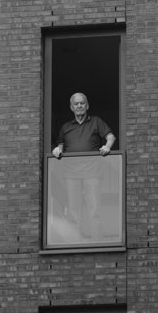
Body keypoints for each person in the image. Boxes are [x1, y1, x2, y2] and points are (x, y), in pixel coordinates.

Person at [50, 93, 115, 239]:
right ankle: (76, 242)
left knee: (94, 210)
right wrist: (56, 150)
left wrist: (107, 147)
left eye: (82, 103)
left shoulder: (96, 122)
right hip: (71, 174)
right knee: (74, 211)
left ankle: (97, 243)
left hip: (92, 173)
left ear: (87, 105)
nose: (79, 106)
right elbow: (60, 147)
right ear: (71, 107)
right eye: (76, 104)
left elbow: (110, 137)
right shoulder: (66, 127)